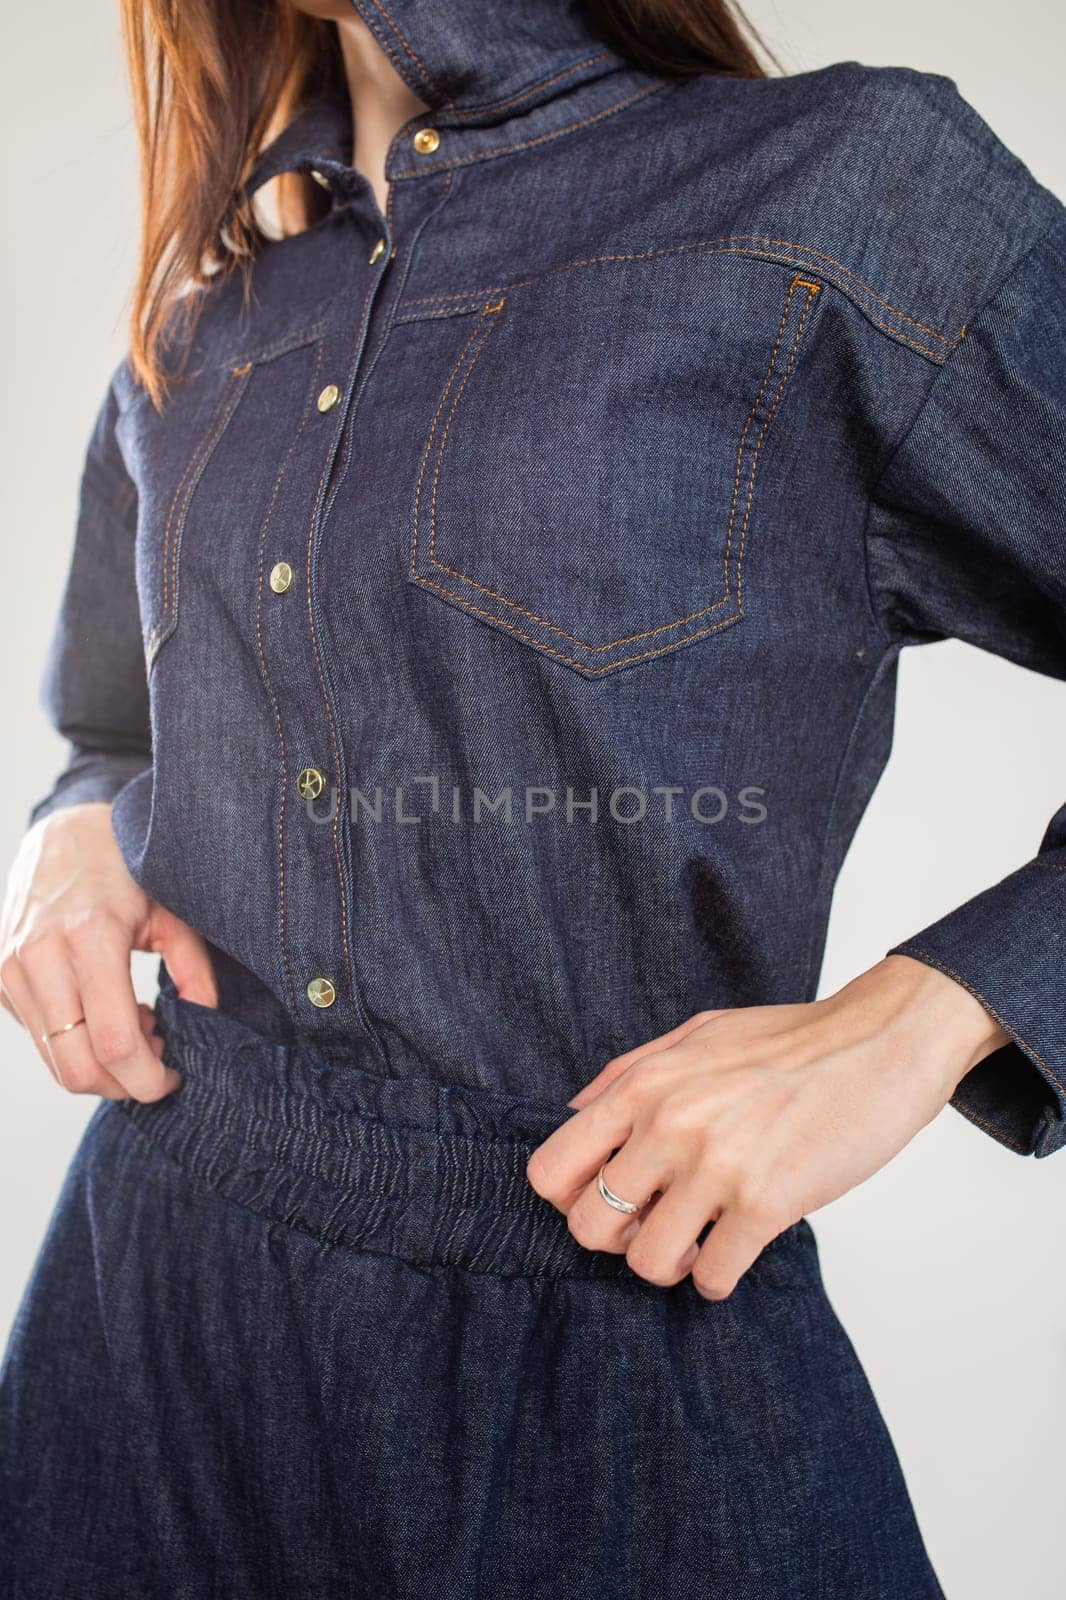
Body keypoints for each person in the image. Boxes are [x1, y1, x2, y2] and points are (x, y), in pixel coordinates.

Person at [1, 1, 1063, 1595]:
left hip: (613, 1347)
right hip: (147, 1328)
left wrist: (918, 1018)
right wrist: (68, 838)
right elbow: (107, 721)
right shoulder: (198, 325)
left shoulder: (848, 193)